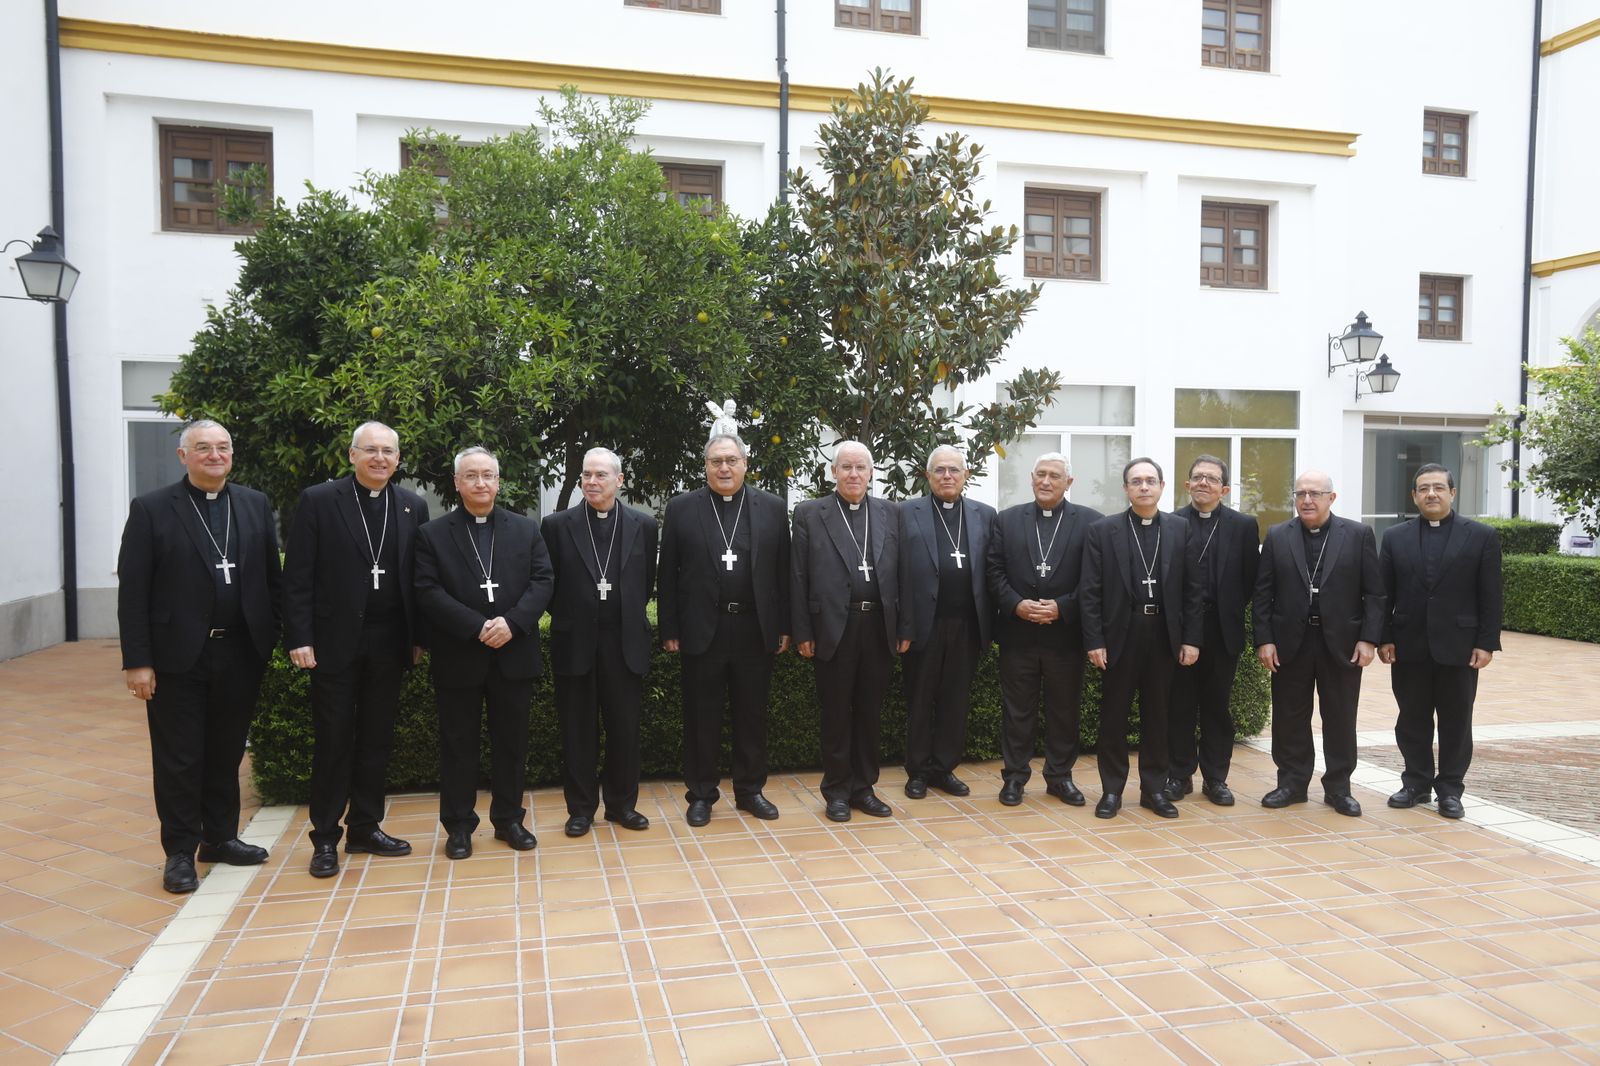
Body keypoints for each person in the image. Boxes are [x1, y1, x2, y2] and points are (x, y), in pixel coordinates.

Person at [117, 420, 281, 894]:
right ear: (183, 456)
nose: (215, 455)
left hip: (239, 651)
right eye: (203, 447)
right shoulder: (151, 509)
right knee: (179, 759)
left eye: (223, 447)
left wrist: (268, 638)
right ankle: (179, 853)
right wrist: (138, 660)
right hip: (176, 657)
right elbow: (134, 591)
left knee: (226, 752)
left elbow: (272, 578)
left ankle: (221, 838)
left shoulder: (253, 504)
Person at [284, 422, 430, 879]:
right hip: (334, 643)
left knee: (376, 740)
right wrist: (299, 637)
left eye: (389, 451)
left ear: (398, 459)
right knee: (333, 741)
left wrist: (419, 638)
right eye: (371, 450)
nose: (380, 459)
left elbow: (421, 580)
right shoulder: (320, 501)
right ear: (351, 455)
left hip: (390, 642)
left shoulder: (411, 506)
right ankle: (324, 837)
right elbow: (298, 576)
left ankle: (365, 827)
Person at [415, 447, 554, 857]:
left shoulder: (526, 529)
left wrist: (511, 623)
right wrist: (477, 626)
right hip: (460, 655)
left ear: (498, 480)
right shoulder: (433, 534)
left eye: (488, 475)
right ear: (457, 483)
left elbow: (543, 581)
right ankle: (458, 826)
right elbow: (427, 590)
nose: (481, 483)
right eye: (471, 476)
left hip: (514, 654)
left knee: (512, 744)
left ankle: (509, 819)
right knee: (458, 746)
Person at [659, 434, 790, 826]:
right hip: (703, 629)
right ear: (706, 466)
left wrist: (784, 625)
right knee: (702, 717)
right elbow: (667, 575)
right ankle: (701, 794)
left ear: (745, 464)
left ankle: (750, 791)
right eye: (716, 461)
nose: (724, 468)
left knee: (752, 715)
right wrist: (669, 626)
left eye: (731, 460)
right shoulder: (682, 508)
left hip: (754, 628)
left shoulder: (771, 507)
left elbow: (783, 574)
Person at [542, 447, 658, 838]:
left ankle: (623, 805)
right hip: (575, 640)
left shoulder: (644, 525)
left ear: (619, 480)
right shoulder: (557, 525)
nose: (591, 482)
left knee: (625, 729)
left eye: (600, 475)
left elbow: (644, 583)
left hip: (624, 641)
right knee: (577, 731)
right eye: (586, 476)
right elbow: (551, 584)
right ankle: (580, 810)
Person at [1254, 470, 1384, 816]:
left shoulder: (1357, 535)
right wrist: (1264, 640)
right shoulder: (1279, 535)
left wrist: (1369, 639)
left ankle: (1339, 788)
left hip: (1341, 643)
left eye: (1315, 493)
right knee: (1289, 717)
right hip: (1290, 643)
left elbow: (1374, 593)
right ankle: (1292, 784)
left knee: (1340, 717)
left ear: (1332, 497)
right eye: (1300, 494)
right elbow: (1263, 592)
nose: (1307, 500)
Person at [791, 441, 908, 822]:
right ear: (833, 472)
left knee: (870, 712)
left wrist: (903, 625)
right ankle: (837, 791)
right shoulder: (810, 513)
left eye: (861, 467)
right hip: (832, 628)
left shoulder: (891, 513)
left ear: (871, 473)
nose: (854, 474)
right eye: (846, 467)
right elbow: (798, 576)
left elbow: (904, 574)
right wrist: (802, 630)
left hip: (878, 627)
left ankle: (864, 788)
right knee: (837, 713)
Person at [1081, 458, 1203, 819]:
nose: (1144, 487)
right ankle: (1112, 791)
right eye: (1137, 481)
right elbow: (1090, 591)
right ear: (1126, 489)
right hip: (1121, 635)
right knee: (1113, 717)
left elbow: (1194, 591)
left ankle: (1154, 790)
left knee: (1159, 716)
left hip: (1164, 635)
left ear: (1163, 487)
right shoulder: (1103, 531)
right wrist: (1094, 641)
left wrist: (1191, 639)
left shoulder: (1181, 529)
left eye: (1151, 480)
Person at [1378, 463, 1502, 819]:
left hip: (1460, 647)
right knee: (1411, 719)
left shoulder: (1480, 536)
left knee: (1456, 721)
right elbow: (1383, 593)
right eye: (1423, 489)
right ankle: (1415, 783)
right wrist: (1384, 635)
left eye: (1438, 488)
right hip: (1408, 644)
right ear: (1414, 496)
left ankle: (1450, 789)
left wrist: (1486, 642)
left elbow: (1490, 595)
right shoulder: (1395, 537)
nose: (1431, 494)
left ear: (1452, 493)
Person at [985, 452, 1100, 807]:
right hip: (1018, 635)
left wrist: (1062, 607)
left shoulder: (1091, 523)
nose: (1046, 481)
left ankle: (1059, 777)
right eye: (1040, 475)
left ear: (1069, 482)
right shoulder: (1006, 520)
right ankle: (1015, 777)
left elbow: (1095, 578)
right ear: (1031, 478)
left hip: (1064, 636)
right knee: (1017, 711)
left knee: (1064, 711)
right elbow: (993, 571)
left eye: (1054, 475)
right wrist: (1017, 604)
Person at [898, 445, 997, 800]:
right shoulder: (906, 513)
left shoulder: (985, 514)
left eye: (954, 470)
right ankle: (918, 771)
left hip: (967, 624)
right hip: (925, 624)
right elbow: (896, 573)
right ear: (928, 476)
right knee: (921, 700)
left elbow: (993, 569)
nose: (947, 476)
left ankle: (945, 768)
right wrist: (903, 626)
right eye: (939, 470)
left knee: (956, 701)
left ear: (966, 475)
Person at [1166, 455, 1260, 806]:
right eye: (1197, 477)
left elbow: (1251, 579)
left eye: (1211, 478)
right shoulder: (1171, 522)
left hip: (1222, 630)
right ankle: (1179, 776)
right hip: (1179, 632)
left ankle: (1216, 779)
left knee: (1217, 708)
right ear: (1187, 484)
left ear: (1224, 488)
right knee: (1180, 706)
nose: (1203, 483)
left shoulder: (1243, 525)